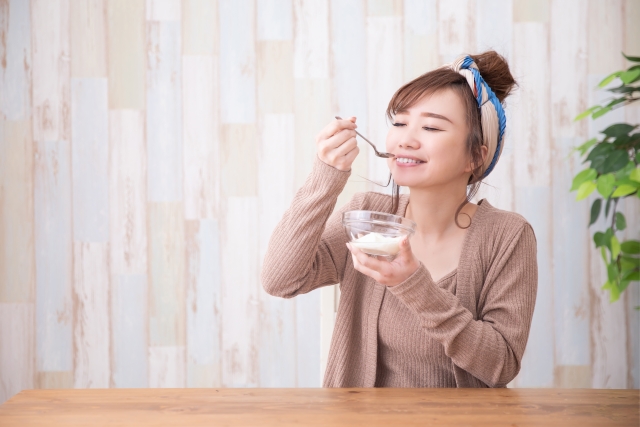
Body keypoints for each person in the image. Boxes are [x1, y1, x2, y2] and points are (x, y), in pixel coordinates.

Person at [261, 51, 538, 388]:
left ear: (475, 156)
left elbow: (501, 365)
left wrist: (413, 284)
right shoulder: (365, 217)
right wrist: (326, 176)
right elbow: (280, 279)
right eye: (400, 122)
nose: (405, 138)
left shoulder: (507, 236)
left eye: (432, 126)